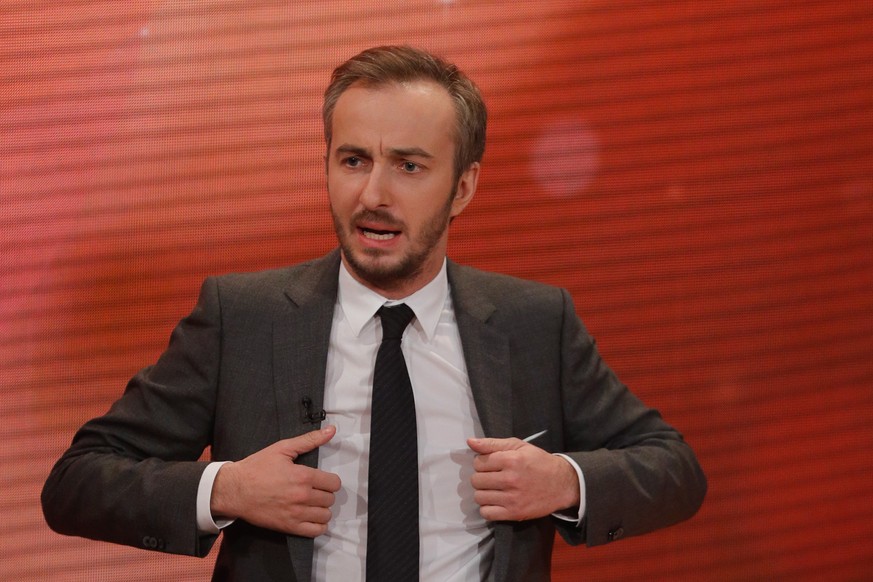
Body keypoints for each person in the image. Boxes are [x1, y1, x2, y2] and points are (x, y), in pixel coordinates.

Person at [42, 45, 706, 581]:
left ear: (463, 186)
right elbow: (77, 483)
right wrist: (226, 490)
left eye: (409, 167)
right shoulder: (241, 317)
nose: (373, 194)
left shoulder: (533, 321)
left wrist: (564, 480)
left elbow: (673, 470)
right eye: (353, 160)